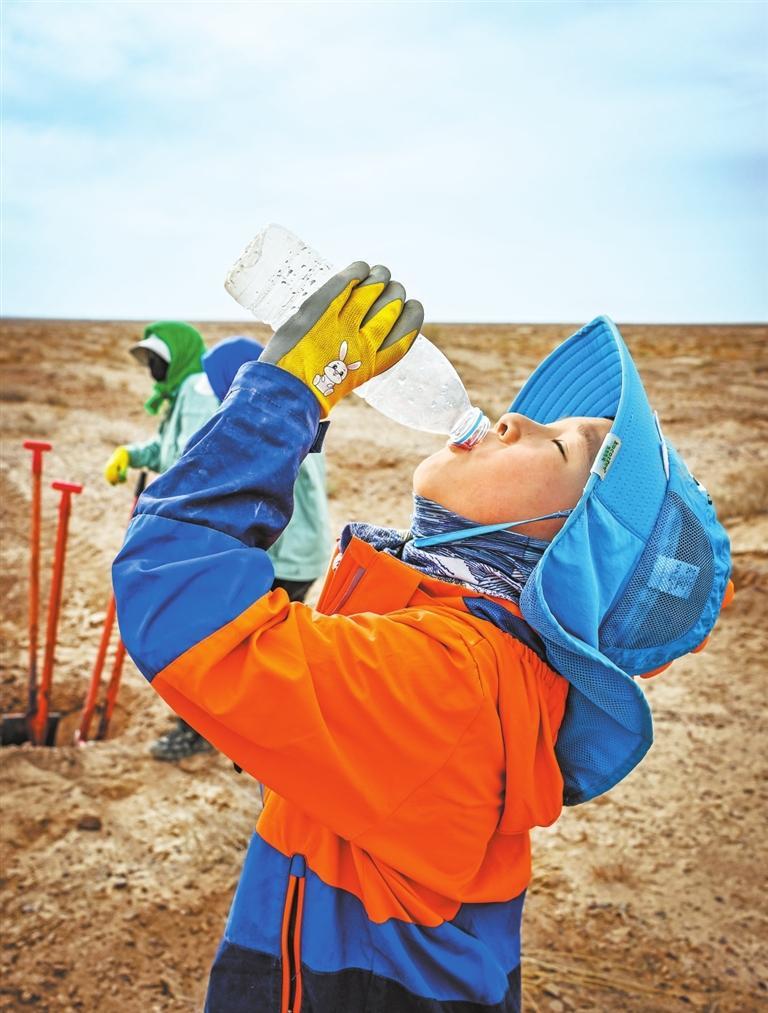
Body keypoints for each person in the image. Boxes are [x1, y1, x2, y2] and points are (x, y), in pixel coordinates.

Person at [113, 264, 732, 1012]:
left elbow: (173, 584)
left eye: (563, 447)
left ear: (568, 559)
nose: (511, 420)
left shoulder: (452, 681)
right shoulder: (482, 655)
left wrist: (287, 394)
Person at [104, 320, 219, 761]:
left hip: (187, 528)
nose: (152, 367)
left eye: (157, 359)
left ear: (179, 356)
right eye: (149, 360)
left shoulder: (196, 390)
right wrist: (132, 455)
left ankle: (198, 728)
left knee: (191, 627)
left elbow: (187, 455)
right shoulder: (180, 391)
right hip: (180, 523)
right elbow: (166, 446)